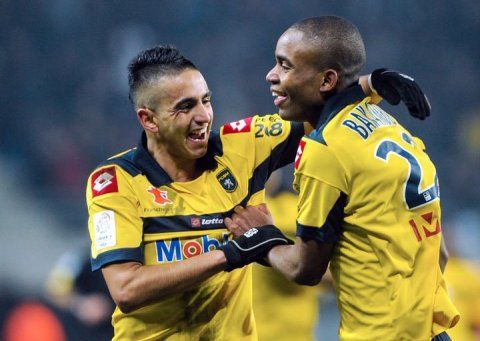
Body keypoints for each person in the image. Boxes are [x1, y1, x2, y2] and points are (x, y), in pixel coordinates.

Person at [86, 44, 431, 340]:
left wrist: (369, 83)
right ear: (149, 120)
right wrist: (231, 253)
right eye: (185, 107)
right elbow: (126, 289)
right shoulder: (116, 182)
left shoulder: (242, 148)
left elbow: (315, 109)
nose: (204, 116)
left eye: (206, 101)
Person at [225, 16, 459, 340]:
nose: (271, 75)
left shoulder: (324, 149)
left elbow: (305, 270)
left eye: (285, 66)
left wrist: (259, 237)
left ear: (326, 80)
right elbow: (440, 254)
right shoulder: (386, 122)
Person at [252, 170, 322, 341]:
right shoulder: (292, 212)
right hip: (276, 333)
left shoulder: (294, 209)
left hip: (285, 333)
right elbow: (319, 269)